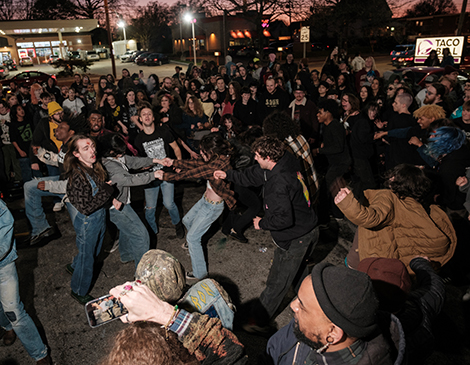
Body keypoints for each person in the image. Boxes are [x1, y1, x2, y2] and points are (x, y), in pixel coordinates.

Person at [214, 136, 318, 332]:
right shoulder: (284, 159)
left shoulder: (277, 184)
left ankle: (258, 320)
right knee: (298, 275)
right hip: (306, 228)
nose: (254, 158)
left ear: (269, 157)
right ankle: (311, 302)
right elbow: (252, 174)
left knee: (278, 280)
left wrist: (262, 222)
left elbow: (283, 219)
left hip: (297, 236)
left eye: (257, 155)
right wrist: (228, 175)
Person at [266, 262, 404, 364]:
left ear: (332, 333)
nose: (292, 306)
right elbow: (273, 349)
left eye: (302, 306)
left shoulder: (310, 328)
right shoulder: (305, 327)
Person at [335, 164, 457, 272]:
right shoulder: (418, 207)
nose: (390, 177)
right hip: (389, 268)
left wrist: (346, 202)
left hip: (364, 261)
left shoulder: (389, 197)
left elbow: (369, 218)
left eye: (394, 175)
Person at [156, 133, 236, 280]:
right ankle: (193, 246)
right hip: (205, 201)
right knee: (187, 220)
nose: (200, 153)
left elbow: (192, 173)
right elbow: (196, 163)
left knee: (193, 238)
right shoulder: (217, 157)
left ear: (211, 152)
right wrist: (173, 162)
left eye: (203, 151)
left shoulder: (216, 165)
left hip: (213, 207)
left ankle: (200, 274)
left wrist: (165, 176)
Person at [100, 133, 165, 267]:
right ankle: (141, 275)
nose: (123, 153)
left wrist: (156, 161)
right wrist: (153, 175)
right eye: (120, 151)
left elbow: (133, 161)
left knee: (126, 229)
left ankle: (127, 254)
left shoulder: (117, 157)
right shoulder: (109, 165)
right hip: (116, 207)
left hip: (122, 202)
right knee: (141, 236)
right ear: (111, 151)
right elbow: (128, 179)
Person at [64, 135, 115, 304]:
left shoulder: (92, 168)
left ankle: (73, 267)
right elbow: (85, 207)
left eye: (92, 146)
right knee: (89, 258)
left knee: (90, 252)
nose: (92, 151)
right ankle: (78, 290)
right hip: (88, 222)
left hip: (98, 218)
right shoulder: (77, 177)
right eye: (86, 149)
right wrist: (107, 191)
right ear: (76, 154)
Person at [0, 199, 52, 364]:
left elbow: (6, 229)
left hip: (3, 266)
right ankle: (8, 328)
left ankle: (40, 354)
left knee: (14, 311)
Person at [133, 106, 185, 239]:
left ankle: (178, 225)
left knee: (169, 204)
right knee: (150, 209)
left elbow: (176, 148)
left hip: (167, 173)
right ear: (140, 119)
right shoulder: (139, 139)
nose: (147, 116)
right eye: (143, 114)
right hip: (151, 177)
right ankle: (152, 232)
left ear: (153, 117)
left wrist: (178, 163)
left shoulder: (164, 131)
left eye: (149, 114)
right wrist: (142, 169)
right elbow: (138, 161)